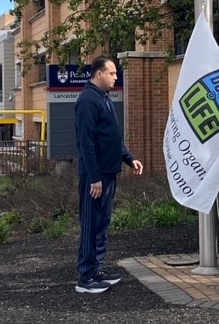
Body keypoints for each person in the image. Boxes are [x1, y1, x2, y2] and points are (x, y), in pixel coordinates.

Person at [75, 56, 143, 294]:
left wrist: (129, 158)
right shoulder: (87, 101)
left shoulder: (104, 98)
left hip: (109, 172)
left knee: (102, 223)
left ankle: (97, 270)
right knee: (91, 224)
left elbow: (112, 137)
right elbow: (86, 143)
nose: (116, 77)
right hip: (96, 176)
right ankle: (85, 277)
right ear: (98, 74)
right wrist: (94, 178)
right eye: (112, 73)